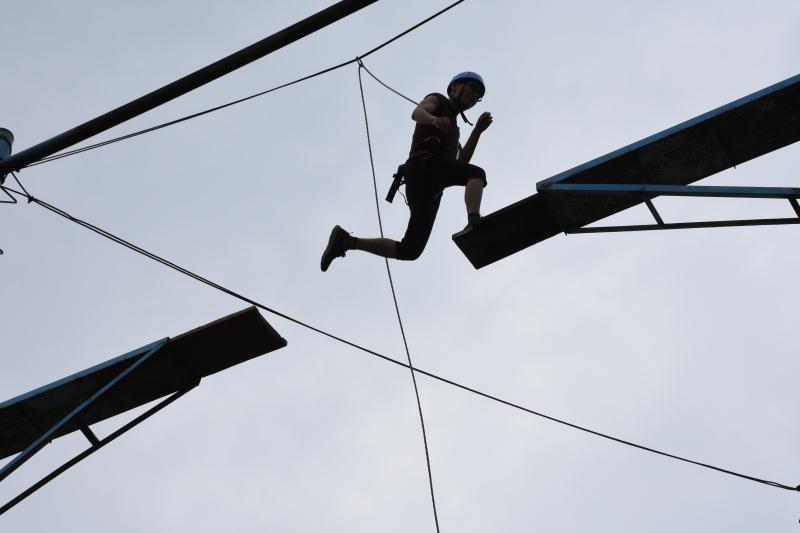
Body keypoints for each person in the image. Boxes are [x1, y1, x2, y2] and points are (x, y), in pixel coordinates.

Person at [320, 71, 493, 272]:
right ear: (454, 87)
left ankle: (346, 241)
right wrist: (434, 120)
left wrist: (477, 131)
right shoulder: (437, 100)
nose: (474, 96)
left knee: (411, 250)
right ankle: (474, 220)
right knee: (477, 174)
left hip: (430, 188)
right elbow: (417, 113)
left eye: (478, 96)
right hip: (423, 166)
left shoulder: (454, 130)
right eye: (472, 88)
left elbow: (462, 163)